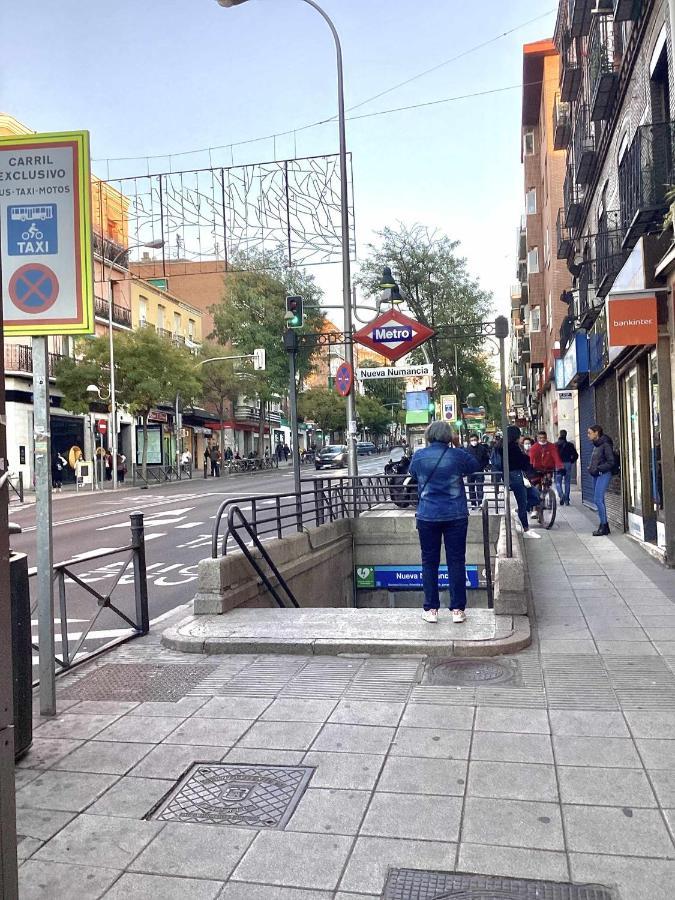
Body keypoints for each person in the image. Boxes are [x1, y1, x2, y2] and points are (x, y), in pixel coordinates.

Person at [409, 420, 481, 625]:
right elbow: (475, 466)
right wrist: (457, 445)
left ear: (429, 435)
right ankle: (458, 610)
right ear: (450, 436)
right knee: (456, 561)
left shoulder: (420, 456)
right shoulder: (457, 455)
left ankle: (431, 609)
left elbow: (413, 474)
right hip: (455, 515)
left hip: (427, 515)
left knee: (429, 562)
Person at [503, 426, 541, 539]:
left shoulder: (510, 446)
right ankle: (526, 528)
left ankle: (519, 512)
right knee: (523, 501)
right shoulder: (511, 447)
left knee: (534, 496)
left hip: (519, 475)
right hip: (516, 476)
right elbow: (520, 461)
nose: (520, 438)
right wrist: (528, 463)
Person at [588, 424, 615, 536]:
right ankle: (604, 526)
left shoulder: (605, 444)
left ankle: (604, 526)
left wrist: (598, 469)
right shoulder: (596, 445)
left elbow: (611, 462)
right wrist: (591, 468)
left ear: (596, 433)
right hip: (596, 474)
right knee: (600, 500)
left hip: (603, 474)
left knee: (597, 500)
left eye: (590, 433)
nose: (588, 435)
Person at [466, 432, 490, 509]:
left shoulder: (482, 448)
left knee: (480, 487)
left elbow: (486, 459)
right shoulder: (467, 449)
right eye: (472, 440)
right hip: (470, 471)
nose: (474, 441)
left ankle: (480, 502)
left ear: (478, 440)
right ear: (470, 441)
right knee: (471, 487)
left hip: (480, 470)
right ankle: (473, 503)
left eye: (475, 440)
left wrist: (483, 466)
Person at [555, 429, 578, 506]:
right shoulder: (570, 445)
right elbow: (576, 455)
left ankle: (561, 496)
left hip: (558, 464)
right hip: (568, 464)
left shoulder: (555, 445)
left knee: (558, 482)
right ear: (566, 435)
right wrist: (571, 461)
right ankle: (567, 500)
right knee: (567, 482)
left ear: (559, 435)